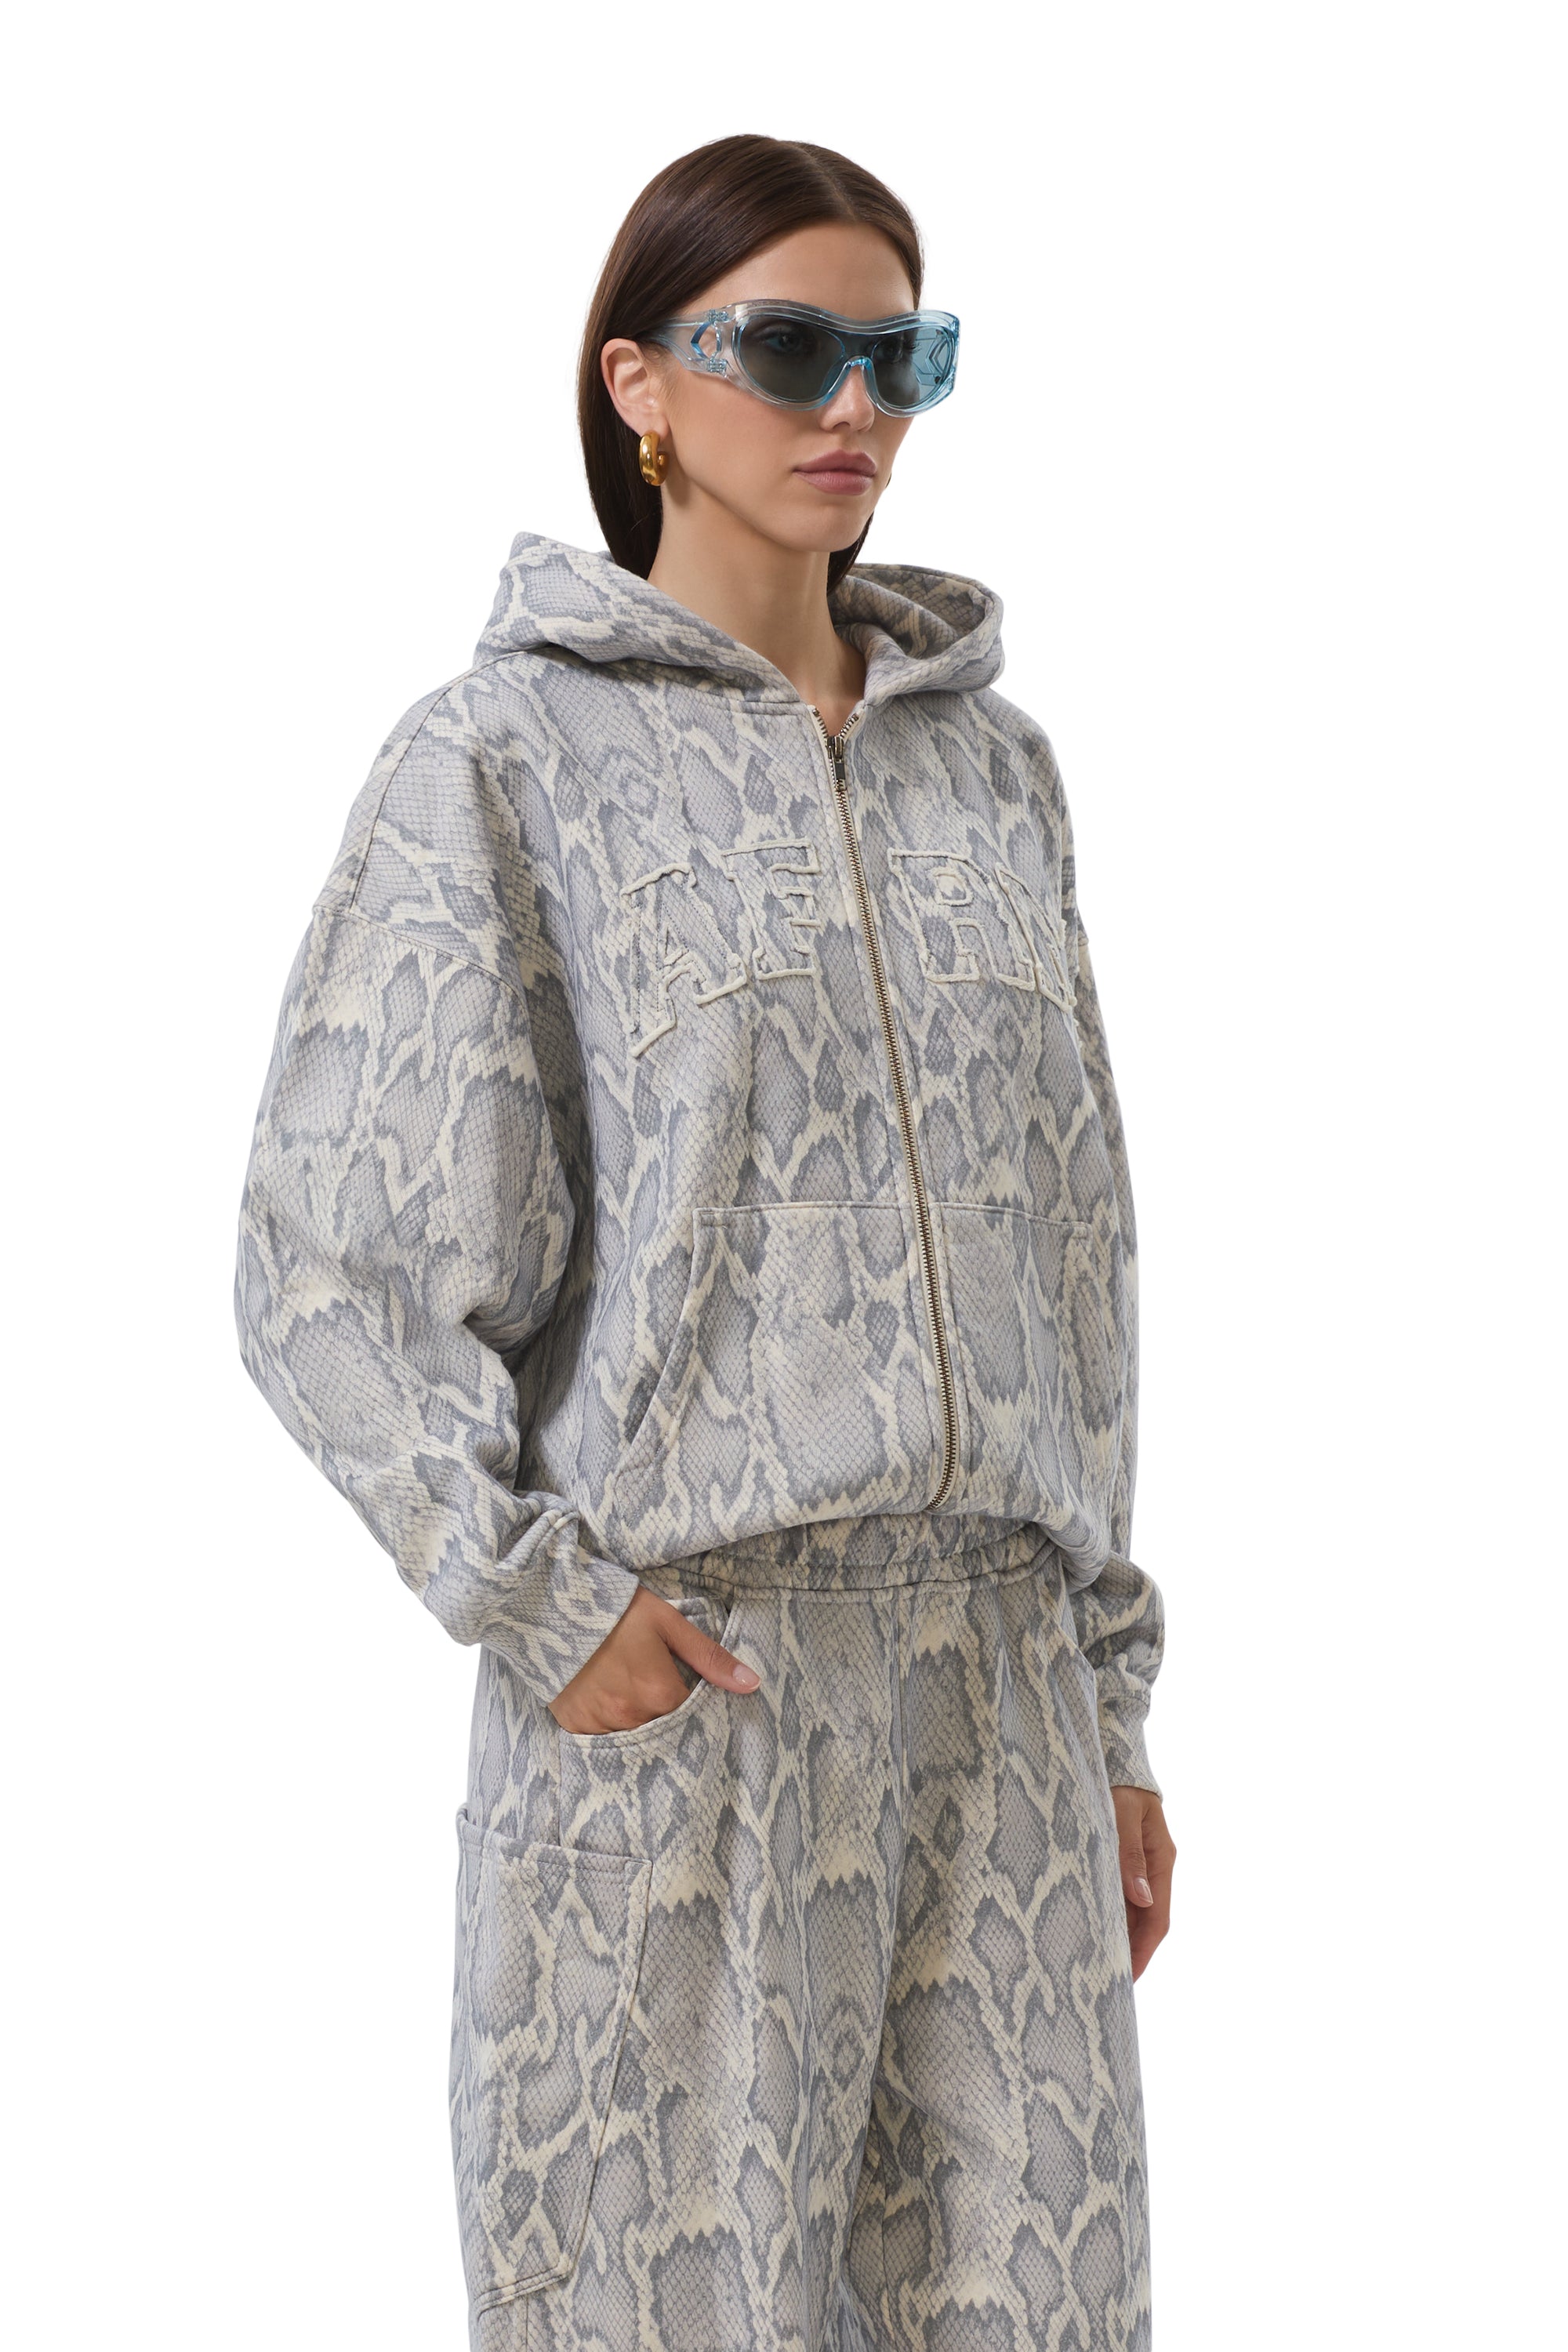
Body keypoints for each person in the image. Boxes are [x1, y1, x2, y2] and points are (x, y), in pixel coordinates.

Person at [234, 132, 1175, 2352]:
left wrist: (1108, 1703)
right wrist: (542, 1604)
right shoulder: (500, 761)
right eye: (790, 348)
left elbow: (1078, 1254)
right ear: (640, 382)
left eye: (903, 357)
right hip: (697, 1695)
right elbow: (330, 1264)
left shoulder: (995, 773)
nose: (855, 406)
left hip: (1002, 1710)